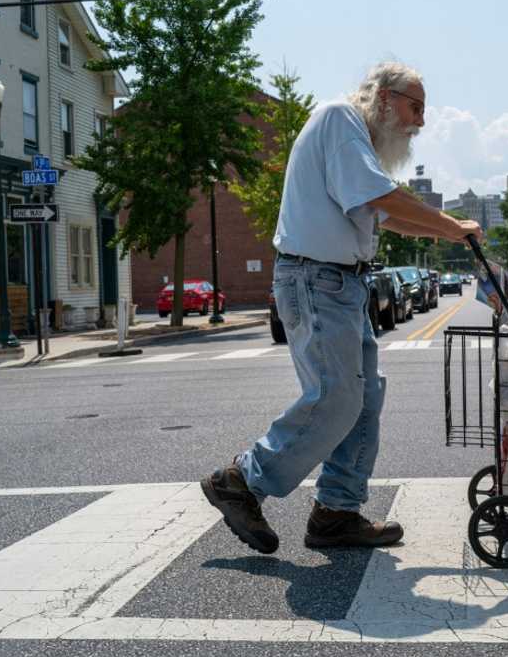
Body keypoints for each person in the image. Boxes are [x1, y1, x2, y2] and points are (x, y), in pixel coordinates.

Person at [200, 63, 484, 554]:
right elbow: (383, 198)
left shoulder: (360, 149)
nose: (419, 122)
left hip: (342, 284)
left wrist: (449, 229)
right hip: (316, 279)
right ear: (383, 96)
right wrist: (449, 224)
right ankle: (241, 481)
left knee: (364, 399)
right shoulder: (339, 120)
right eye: (415, 107)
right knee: (336, 397)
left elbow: (388, 216)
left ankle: (336, 513)